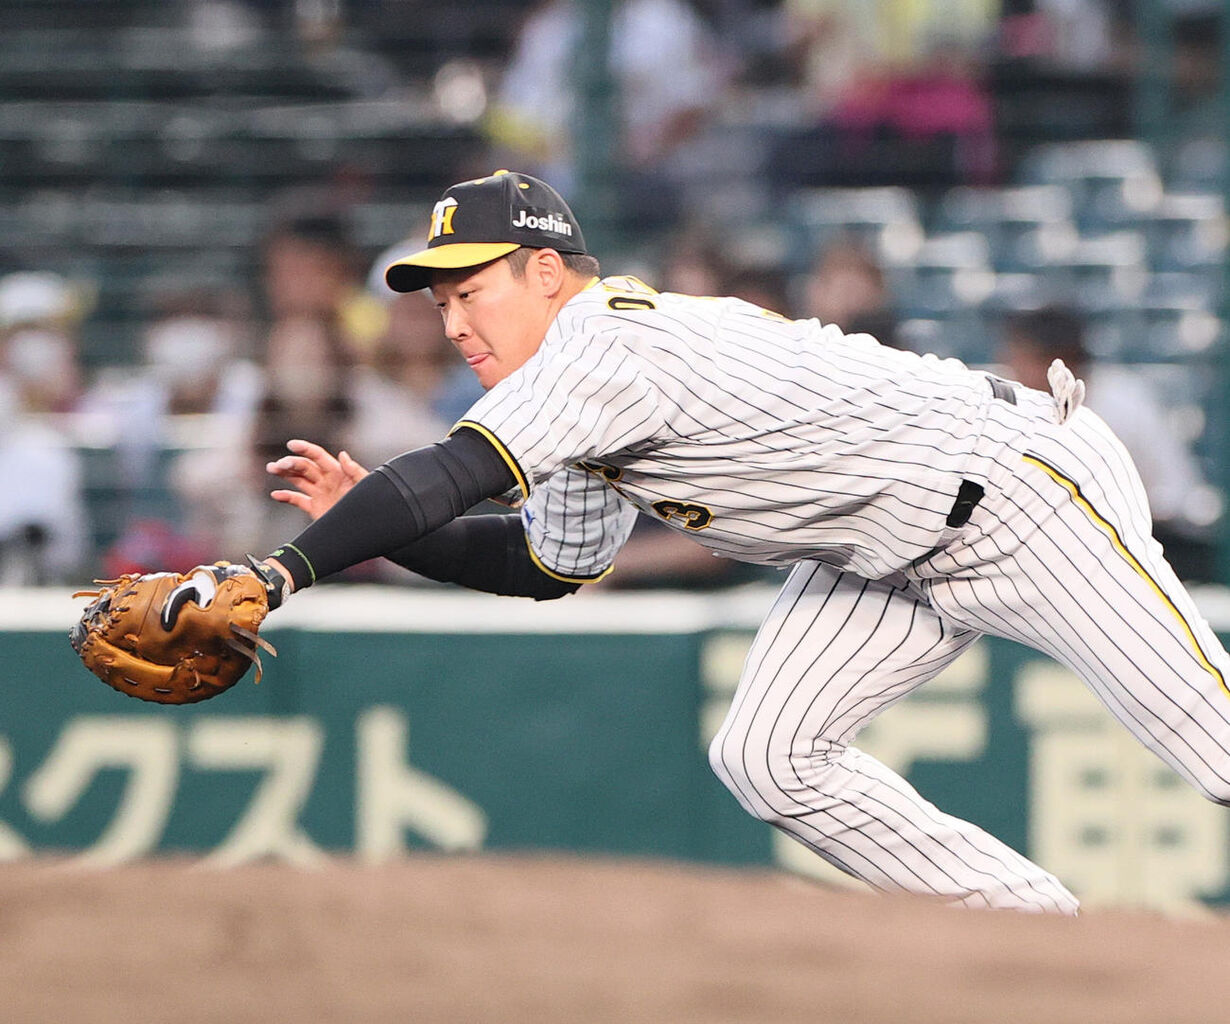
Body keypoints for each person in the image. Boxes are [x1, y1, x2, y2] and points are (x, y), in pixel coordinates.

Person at [241, 169, 1230, 915]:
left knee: (1213, 741)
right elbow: (543, 565)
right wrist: (376, 527)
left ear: (546, 272)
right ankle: (1038, 932)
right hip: (882, 556)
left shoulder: (601, 343)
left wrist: (277, 573)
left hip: (1018, 491)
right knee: (769, 755)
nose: (456, 321)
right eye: (442, 302)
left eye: (473, 290)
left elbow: (452, 471)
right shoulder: (566, 409)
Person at [998, 306, 1221, 582]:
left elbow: (1173, 499)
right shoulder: (1015, 403)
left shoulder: (1123, 402)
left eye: (1023, 358)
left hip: (1145, 539)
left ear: (1060, 360)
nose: (1014, 367)